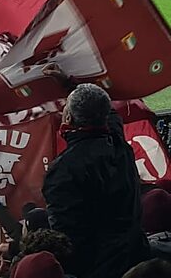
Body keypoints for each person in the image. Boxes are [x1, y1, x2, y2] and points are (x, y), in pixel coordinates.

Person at [44, 83, 148, 278]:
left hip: (98, 269)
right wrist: (70, 85)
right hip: (136, 257)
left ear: (68, 118)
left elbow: (67, 237)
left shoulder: (64, 170)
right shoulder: (119, 147)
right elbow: (108, 111)